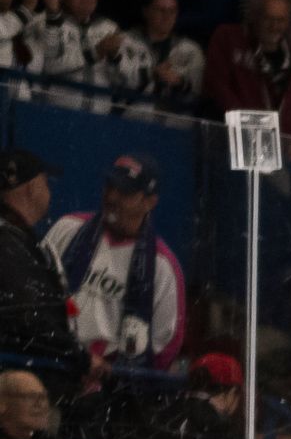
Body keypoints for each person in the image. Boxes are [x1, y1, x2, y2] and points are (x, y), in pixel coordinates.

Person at [41, 154, 188, 375]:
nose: (112, 197)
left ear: (149, 202)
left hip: (109, 382)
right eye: (110, 186)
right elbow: (32, 290)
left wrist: (114, 376)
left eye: (125, 192)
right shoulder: (68, 228)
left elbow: (165, 347)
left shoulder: (163, 266)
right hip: (51, 361)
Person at [0, 151, 76, 378]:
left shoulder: (17, 238)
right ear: (32, 188)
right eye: (45, 183)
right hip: (18, 379)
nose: (49, 191)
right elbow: (29, 318)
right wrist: (79, 358)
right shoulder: (9, 243)